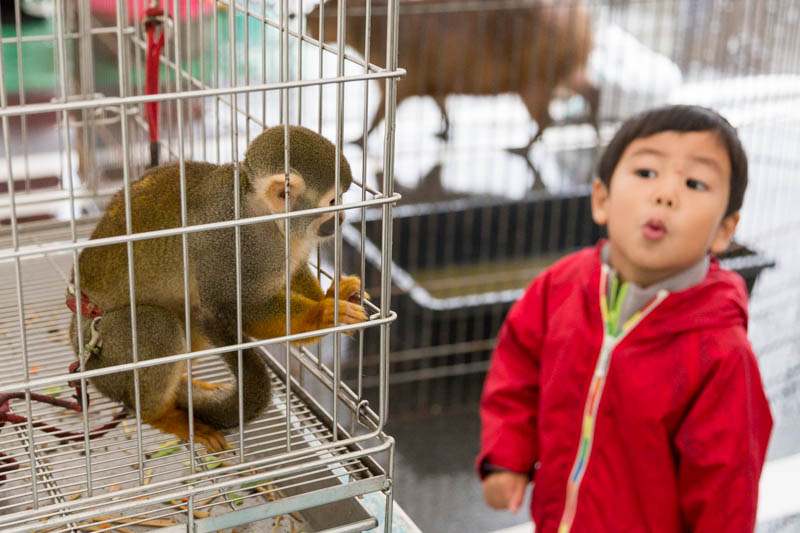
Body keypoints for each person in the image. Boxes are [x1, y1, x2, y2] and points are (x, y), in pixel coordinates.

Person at [477, 104, 773, 532]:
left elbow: (726, 493)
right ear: (602, 199)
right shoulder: (560, 288)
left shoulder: (721, 354)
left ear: (725, 230)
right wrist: (507, 457)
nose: (665, 195)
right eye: (647, 172)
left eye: (694, 183)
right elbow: (517, 370)